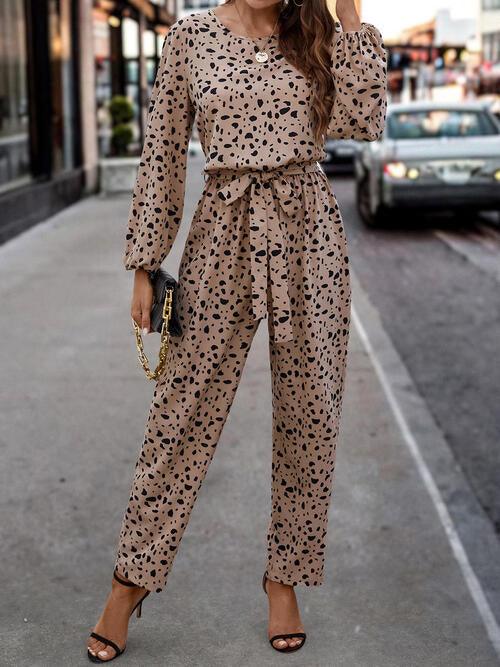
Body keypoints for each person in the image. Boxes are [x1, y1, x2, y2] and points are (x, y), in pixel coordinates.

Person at [86, 0, 387, 661]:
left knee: (311, 414)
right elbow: (162, 150)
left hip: (309, 230)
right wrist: (145, 263)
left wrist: (351, 14)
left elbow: (364, 121)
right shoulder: (190, 39)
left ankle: (284, 578)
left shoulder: (316, 35)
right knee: (179, 414)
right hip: (221, 229)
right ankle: (128, 579)